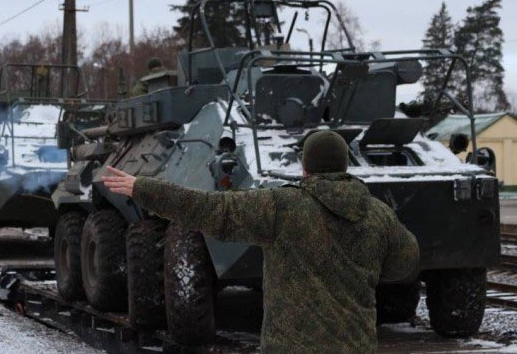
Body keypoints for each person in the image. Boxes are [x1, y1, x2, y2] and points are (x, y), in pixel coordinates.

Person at [102, 130, 420, 353]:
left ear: (305, 167)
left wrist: (142, 188)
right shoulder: (377, 214)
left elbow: (210, 210)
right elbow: (405, 262)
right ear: (344, 165)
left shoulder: (282, 206)